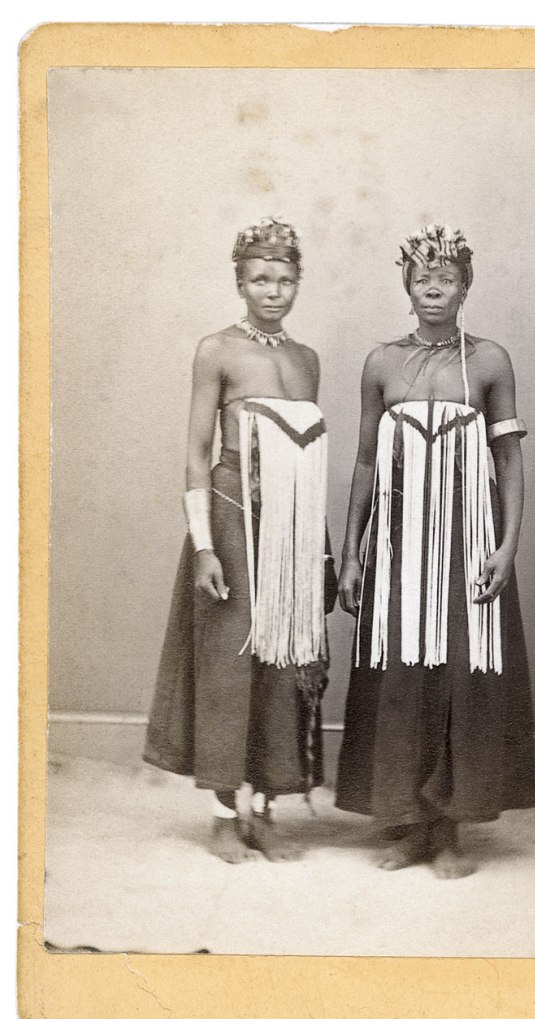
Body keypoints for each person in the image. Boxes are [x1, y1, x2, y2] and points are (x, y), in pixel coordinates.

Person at [336, 223, 535, 877]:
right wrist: (353, 551)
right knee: (400, 679)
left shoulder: (488, 361)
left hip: (466, 540)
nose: (433, 288)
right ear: (407, 284)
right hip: (397, 546)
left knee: (458, 676)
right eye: (423, 277)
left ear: (464, 286)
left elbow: (507, 460)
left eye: (446, 278)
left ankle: (449, 830)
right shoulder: (381, 363)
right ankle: (409, 824)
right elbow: (366, 462)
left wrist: (507, 546)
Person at [144, 217, 336, 863]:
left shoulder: (307, 359)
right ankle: (227, 813)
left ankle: (270, 808)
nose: (273, 291)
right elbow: (197, 454)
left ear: (297, 282)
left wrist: (324, 549)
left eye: (284, 279)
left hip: (295, 530)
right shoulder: (217, 350)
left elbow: (310, 461)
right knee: (230, 665)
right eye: (260, 278)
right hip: (231, 520)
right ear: (240, 281)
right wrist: (203, 545)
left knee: (284, 664)